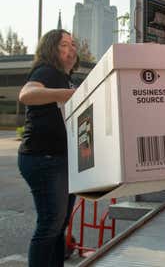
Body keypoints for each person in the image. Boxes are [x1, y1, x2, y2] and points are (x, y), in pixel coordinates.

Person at [18, 29, 78, 267]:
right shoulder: (46, 71)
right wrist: (68, 94)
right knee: (50, 224)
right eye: (65, 44)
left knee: (59, 225)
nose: (71, 49)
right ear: (51, 48)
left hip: (62, 160)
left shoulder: (65, 77)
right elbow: (26, 94)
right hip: (43, 158)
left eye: (73, 44)